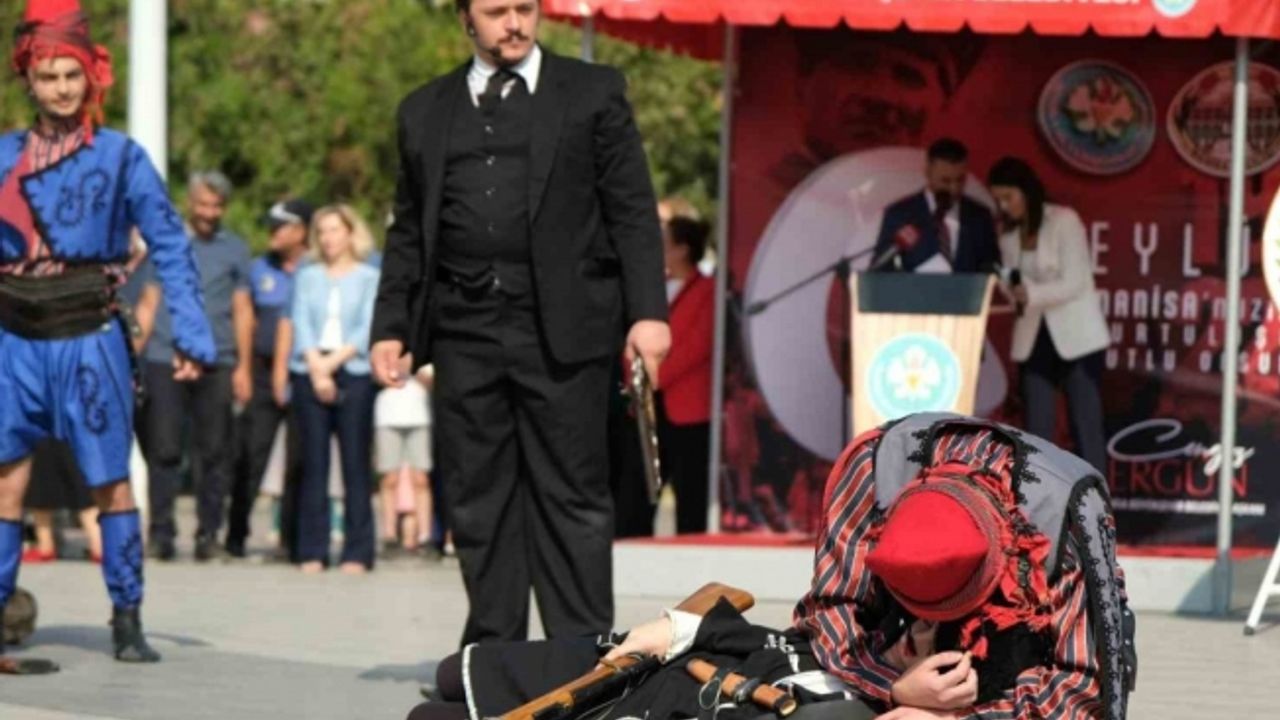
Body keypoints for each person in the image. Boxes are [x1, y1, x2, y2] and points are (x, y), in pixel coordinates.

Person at [406, 413, 1137, 720]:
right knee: (457, 687)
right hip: (874, 673)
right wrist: (894, 683)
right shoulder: (875, 469)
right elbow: (830, 622)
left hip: (986, 687)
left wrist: (957, 716)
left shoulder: (1069, 514)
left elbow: (1092, 694)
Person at [370, 0, 670, 645]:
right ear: (465, 19)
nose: (514, 23)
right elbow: (407, 232)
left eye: (525, 8)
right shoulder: (424, 110)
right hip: (464, 332)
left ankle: (580, 656)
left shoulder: (592, 93)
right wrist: (391, 325)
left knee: (573, 495)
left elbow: (632, 210)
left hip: (565, 333)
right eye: (496, 11)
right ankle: (494, 656)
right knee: (478, 500)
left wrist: (648, 314)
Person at [0, 0, 215, 664]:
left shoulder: (121, 156)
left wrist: (192, 332)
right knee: (5, 484)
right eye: (48, 76)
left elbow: (169, 242)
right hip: (12, 340)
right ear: (29, 80)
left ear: (91, 75)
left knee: (110, 482)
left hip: (90, 337)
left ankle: (127, 618)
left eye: (72, 75)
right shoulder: (3, 155)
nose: (62, 88)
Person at [138, 170, 253, 562]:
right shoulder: (166, 244)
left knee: (215, 452)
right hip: (164, 358)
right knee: (164, 449)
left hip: (217, 360)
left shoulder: (235, 249)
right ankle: (161, 533)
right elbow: (149, 303)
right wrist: (132, 357)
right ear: (190, 203)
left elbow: (242, 310)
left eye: (216, 206)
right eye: (203, 204)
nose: (209, 212)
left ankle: (208, 535)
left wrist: (243, 367)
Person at [988, 157, 1110, 473]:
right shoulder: (1007, 236)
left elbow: (1076, 281)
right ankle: (1041, 497)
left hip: (1077, 338)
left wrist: (1031, 293)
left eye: (1008, 197)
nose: (1004, 206)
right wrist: (1008, 287)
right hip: (1033, 337)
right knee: (1036, 429)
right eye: (998, 199)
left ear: (1026, 191)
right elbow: (1014, 287)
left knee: (1085, 425)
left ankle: (1095, 500)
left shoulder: (1063, 221)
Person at [290, 204, 380, 575]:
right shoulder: (307, 276)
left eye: (334, 230)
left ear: (350, 233)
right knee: (314, 463)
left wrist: (332, 364)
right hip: (310, 370)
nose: (328, 238)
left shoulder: (369, 277)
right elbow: (300, 321)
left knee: (355, 463)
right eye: (322, 231)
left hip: (352, 370)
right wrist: (317, 367)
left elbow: (366, 327)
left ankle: (358, 550)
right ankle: (312, 548)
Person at [225, 199, 313, 559]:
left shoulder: (316, 268)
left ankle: (292, 540)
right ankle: (235, 536)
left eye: (281, 226)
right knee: (249, 454)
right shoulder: (258, 268)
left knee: (300, 459)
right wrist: (243, 368)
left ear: (302, 230)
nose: (273, 233)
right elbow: (245, 319)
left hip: (303, 371)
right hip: (262, 371)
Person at [655, 204, 714, 534]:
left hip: (688, 407)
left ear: (682, 249)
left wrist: (654, 377)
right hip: (649, 405)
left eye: (665, 242)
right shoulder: (654, 286)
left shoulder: (708, 290)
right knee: (638, 494)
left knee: (690, 494)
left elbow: (697, 345)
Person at [872, 138, 999, 274]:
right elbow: (881, 271)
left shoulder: (980, 217)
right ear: (928, 172)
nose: (954, 189)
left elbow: (993, 270)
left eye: (960, 180)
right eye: (945, 181)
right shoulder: (899, 216)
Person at [374, 364, 436, 558]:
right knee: (389, 479)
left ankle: (425, 536)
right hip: (387, 417)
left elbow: (430, 379)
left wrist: (413, 369)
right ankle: (389, 536)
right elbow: (376, 376)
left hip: (419, 416)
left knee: (421, 479)